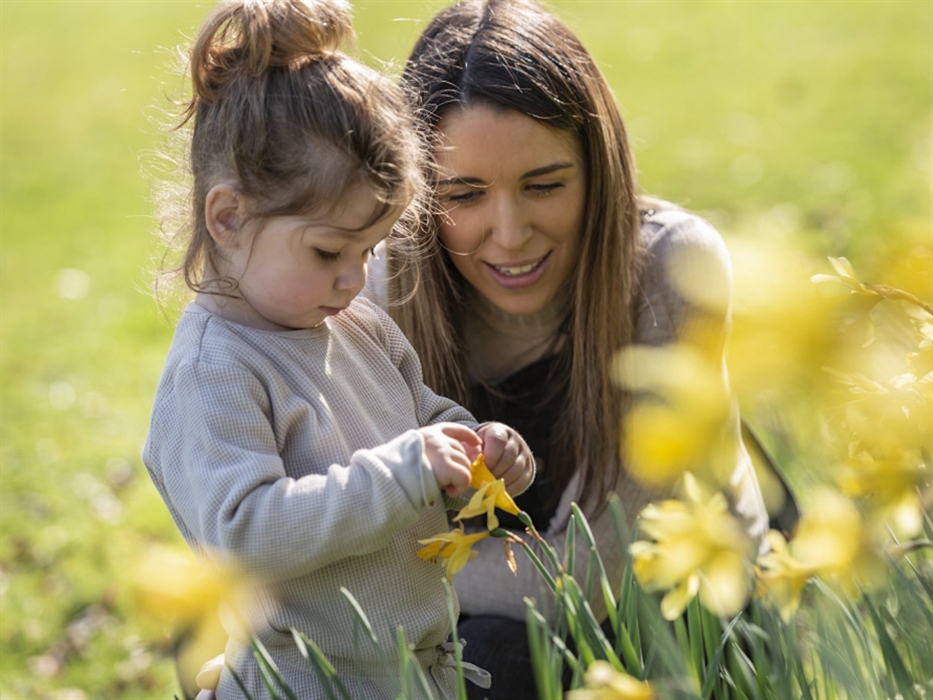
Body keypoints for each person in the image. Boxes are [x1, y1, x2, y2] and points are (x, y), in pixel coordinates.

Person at [361, 0, 772, 697]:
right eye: (463, 194)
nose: (511, 233)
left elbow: (583, 581)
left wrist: (382, 581)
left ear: (598, 165)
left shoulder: (673, 270)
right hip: (474, 617)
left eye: (544, 185)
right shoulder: (388, 280)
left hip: (672, 616)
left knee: (488, 661)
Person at [142, 1, 534, 698]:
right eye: (329, 250)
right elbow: (244, 535)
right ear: (229, 216)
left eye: (369, 248)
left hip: (412, 670)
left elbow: (420, 422)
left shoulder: (353, 324)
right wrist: (405, 471)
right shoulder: (216, 370)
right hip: (303, 680)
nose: (355, 277)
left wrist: (478, 450)